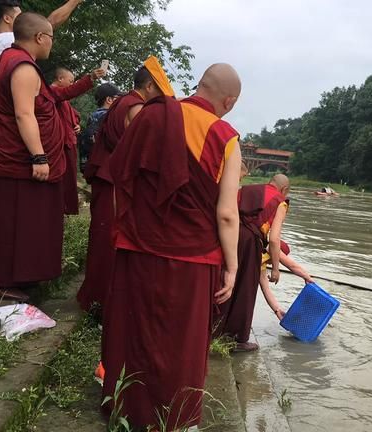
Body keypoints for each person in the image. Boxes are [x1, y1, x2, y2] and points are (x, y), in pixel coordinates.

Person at [101, 63, 242, 430]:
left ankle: (127, 406)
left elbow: (122, 180)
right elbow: (227, 213)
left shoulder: (152, 116)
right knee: (182, 342)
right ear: (228, 100)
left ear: (199, 86)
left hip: (139, 245)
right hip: (193, 256)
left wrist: (125, 232)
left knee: (136, 329)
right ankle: (175, 418)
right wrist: (233, 264)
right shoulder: (224, 135)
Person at [0, 12, 101, 302]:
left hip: (16, 163)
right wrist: (38, 156)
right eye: (51, 38)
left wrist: (88, 79)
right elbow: (24, 113)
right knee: (13, 223)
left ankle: (20, 277)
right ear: (40, 38)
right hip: (18, 163)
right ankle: (1, 282)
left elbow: (52, 98)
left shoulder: (16, 63)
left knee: (23, 222)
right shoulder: (21, 67)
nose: (51, 44)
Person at [0, 0, 84, 226]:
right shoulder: (14, 44)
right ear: (8, 19)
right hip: (21, 132)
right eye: (19, 15)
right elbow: (47, 24)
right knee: (21, 203)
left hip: (2, 121)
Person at [77, 63, 166, 311]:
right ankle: (104, 298)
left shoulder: (122, 101)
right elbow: (142, 150)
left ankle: (97, 295)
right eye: (158, 90)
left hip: (106, 177)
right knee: (110, 238)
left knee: (102, 236)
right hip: (115, 181)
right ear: (149, 86)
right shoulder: (135, 107)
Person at [213, 174, 290, 352]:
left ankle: (210, 330)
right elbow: (274, 239)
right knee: (245, 289)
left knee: (223, 278)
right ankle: (236, 339)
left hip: (228, 232)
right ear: (284, 189)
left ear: (269, 181)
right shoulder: (280, 201)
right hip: (249, 241)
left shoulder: (246, 190)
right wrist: (276, 269)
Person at [51, 67, 94, 215]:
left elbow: (73, 114)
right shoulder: (53, 92)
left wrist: (75, 124)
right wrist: (90, 78)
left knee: (70, 179)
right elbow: (69, 93)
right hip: (59, 144)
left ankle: (65, 208)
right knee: (63, 179)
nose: (72, 84)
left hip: (69, 141)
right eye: (70, 81)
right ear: (60, 79)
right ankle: (60, 207)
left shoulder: (63, 99)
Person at [258, 241, 313, 321]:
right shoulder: (269, 248)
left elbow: (265, 289)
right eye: (279, 260)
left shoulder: (262, 265)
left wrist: (277, 310)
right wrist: (307, 277)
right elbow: (292, 265)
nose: (271, 263)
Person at [78, 83, 121, 174]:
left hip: (90, 163)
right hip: (103, 166)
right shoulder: (108, 117)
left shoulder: (93, 116)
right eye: (118, 99)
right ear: (109, 100)